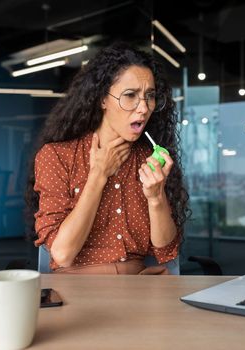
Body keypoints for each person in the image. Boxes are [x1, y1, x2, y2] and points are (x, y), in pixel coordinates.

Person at [25, 42, 190, 274]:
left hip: (138, 290)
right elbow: (62, 254)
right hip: (78, 292)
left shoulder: (151, 159)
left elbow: (166, 252)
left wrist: (156, 197)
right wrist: (98, 175)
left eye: (150, 96)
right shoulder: (57, 156)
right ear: (102, 99)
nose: (143, 108)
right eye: (130, 95)